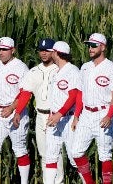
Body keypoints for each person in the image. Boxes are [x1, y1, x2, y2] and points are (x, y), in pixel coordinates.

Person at [71, 33, 113, 184]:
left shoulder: (111, 67)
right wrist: (76, 115)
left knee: (105, 155)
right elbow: (80, 93)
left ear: (103, 47)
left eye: (94, 45)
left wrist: (109, 115)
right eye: (89, 46)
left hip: (103, 113)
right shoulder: (85, 67)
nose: (90, 49)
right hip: (86, 114)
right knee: (76, 151)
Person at [13, 38, 65, 184]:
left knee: (55, 154)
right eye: (41, 50)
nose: (43, 53)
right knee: (43, 154)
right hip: (40, 116)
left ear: (53, 52)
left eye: (47, 50)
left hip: (55, 116)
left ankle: (59, 181)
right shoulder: (34, 71)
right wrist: (18, 111)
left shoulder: (60, 70)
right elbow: (25, 93)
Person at [0, 37, 31, 184]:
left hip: (16, 113)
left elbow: (25, 93)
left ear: (12, 50)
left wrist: (12, 108)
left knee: (20, 149)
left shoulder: (21, 67)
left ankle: (24, 181)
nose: (0, 52)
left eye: (4, 49)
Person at [43, 41, 89, 184]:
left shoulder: (72, 71)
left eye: (52, 52)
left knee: (75, 158)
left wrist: (60, 114)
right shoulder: (57, 71)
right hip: (55, 119)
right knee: (50, 157)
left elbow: (74, 95)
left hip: (67, 119)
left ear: (56, 53)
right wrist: (53, 113)